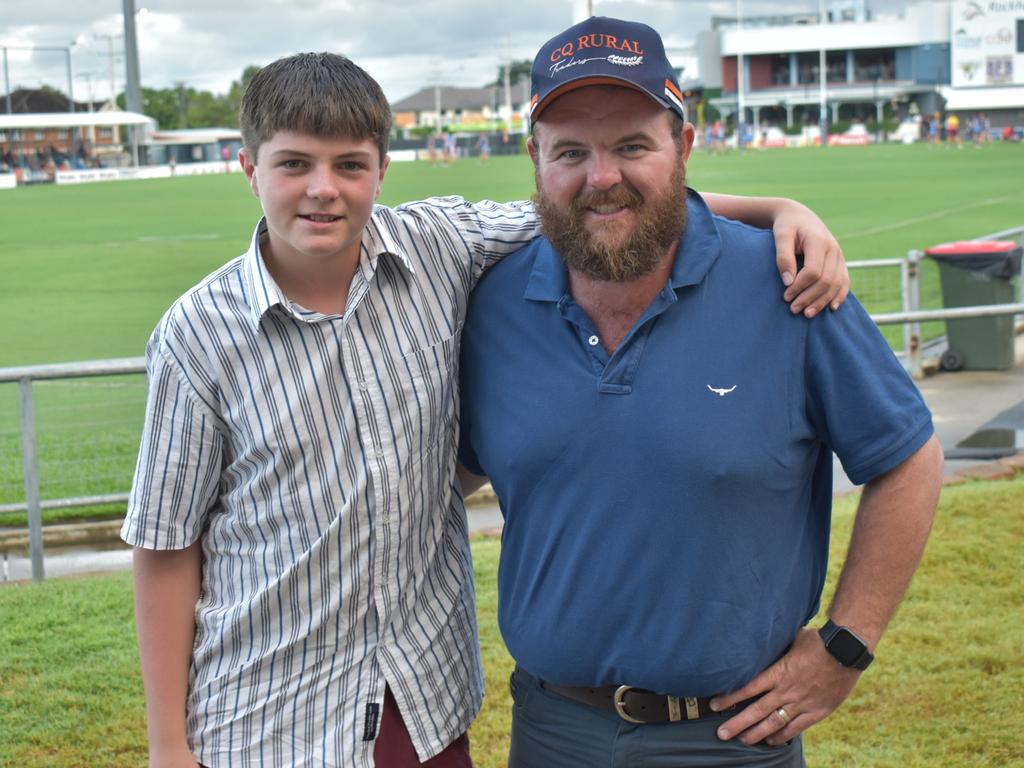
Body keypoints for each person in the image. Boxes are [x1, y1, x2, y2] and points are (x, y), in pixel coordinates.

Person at [122, 51, 849, 768]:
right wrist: (167, 747)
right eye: (293, 165)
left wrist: (779, 209)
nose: (323, 190)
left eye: (349, 164)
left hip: (422, 706)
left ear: (381, 169)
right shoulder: (198, 336)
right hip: (268, 720)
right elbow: (165, 547)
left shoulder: (439, 247)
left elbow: (599, 204)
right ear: (249, 169)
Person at [458, 17, 943, 768]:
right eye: (571, 152)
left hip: (730, 740)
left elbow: (907, 459)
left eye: (631, 146)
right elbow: (447, 478)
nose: (601, 176)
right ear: (535, 161)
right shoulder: (491, 305)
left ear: (683, 148)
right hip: (550, 731)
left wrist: (845, 646)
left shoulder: (792, 284)